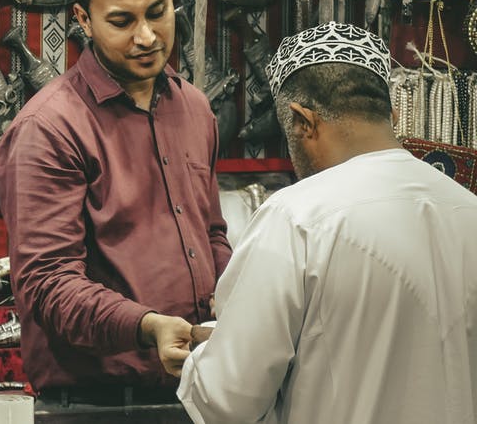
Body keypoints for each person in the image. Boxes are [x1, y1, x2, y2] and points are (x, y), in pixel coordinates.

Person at [174, 22, 477, 423]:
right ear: (394, 113)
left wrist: (205, 352)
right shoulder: (467, 208)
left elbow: (228, 399)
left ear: (303, 122)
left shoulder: (296, 217)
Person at [0, 0, 230, 408]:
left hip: (198, 392)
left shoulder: (194, 108)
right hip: (97, 405)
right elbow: (48, 285)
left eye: (157, 12)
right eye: (122, 21)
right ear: (83, 19)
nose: (146, 36)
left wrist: (244, 298)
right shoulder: (50, 128)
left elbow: (211, 235)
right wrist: (146, 327)